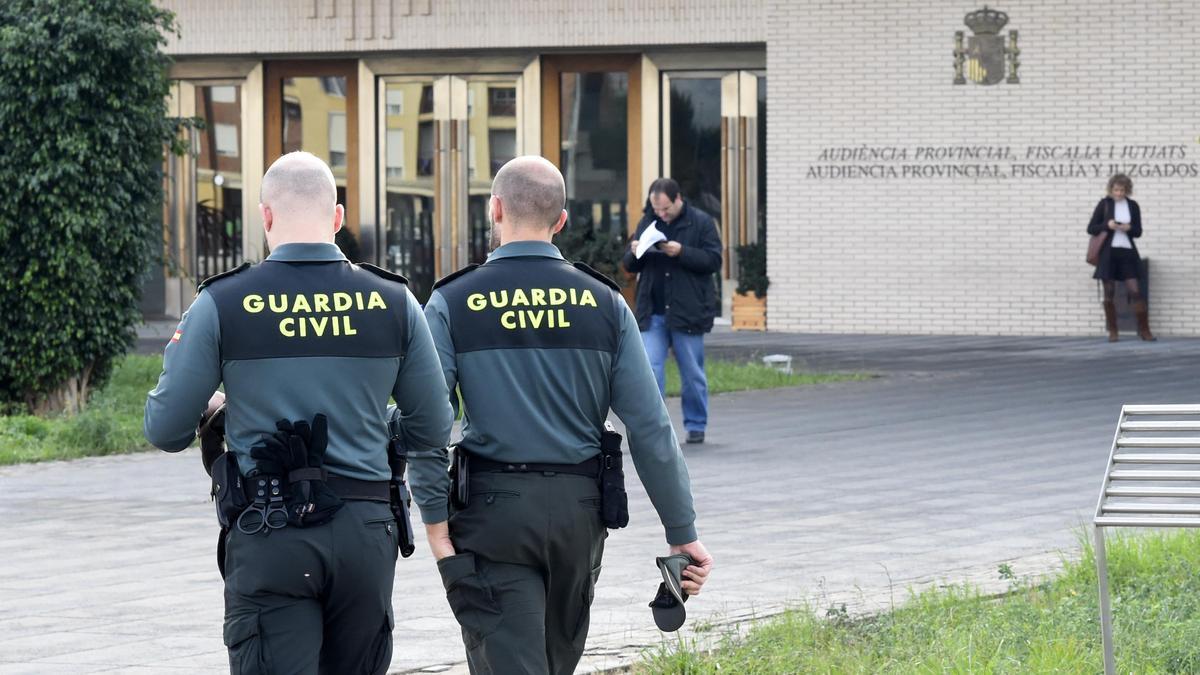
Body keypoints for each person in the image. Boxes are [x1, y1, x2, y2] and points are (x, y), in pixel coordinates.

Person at [144, 151, 454, 674]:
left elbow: (165, 427)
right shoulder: (394, 300)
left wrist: (217, 406)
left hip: (270, 528)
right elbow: (433, 427)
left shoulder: (222, 302)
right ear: (337, 219)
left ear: (265, 217)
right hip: (365, 530)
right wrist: (378, 427)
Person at [408, 156, 713, 675]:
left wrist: (436, 523)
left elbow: (427, 422)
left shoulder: (453, 299)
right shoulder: (605, 302)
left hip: (492, 514)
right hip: (579, 515)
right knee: (555, 661)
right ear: (562, 220)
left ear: (495, 209)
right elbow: (649, 427)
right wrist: (680, 529)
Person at [621, 178, 722, 444]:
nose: (661, 214)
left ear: (678, 199)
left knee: (692, 372)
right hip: (652, 310)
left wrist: (682, 252)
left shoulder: (701, 222)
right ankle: (655, 427)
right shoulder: (648, 221)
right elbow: (630, 264)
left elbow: (714, 260)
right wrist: (634, 252)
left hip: (687, 310)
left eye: (666, 209)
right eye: (657, 210)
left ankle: (696, 424)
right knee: (650, 370)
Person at [1087, 173, 1156, 342]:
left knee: (1135, 291)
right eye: (1116, 190)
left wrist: (1128, 228)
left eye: (1122, 190)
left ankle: (1145, 330)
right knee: (1109, 293)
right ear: (1111, 189)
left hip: (1127, 253)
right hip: (1108, 254)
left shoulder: (1133, 206)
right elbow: (1091, 228)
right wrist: (1107, 225)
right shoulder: (1104, 204)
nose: (1118, 193)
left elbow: (1138, 232)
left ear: (1127, 190)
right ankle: (1113, 331)